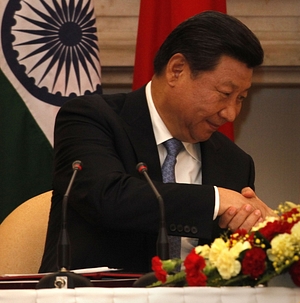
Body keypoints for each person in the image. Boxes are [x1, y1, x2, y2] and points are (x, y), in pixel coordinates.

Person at [39, 11, 274, 273]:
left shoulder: (234, 162)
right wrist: (217, 200)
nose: (230, 113)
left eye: (241, 98)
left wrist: (263, 228)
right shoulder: (90, 118)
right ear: (177, 70)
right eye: (225, 93)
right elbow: (107, 197)